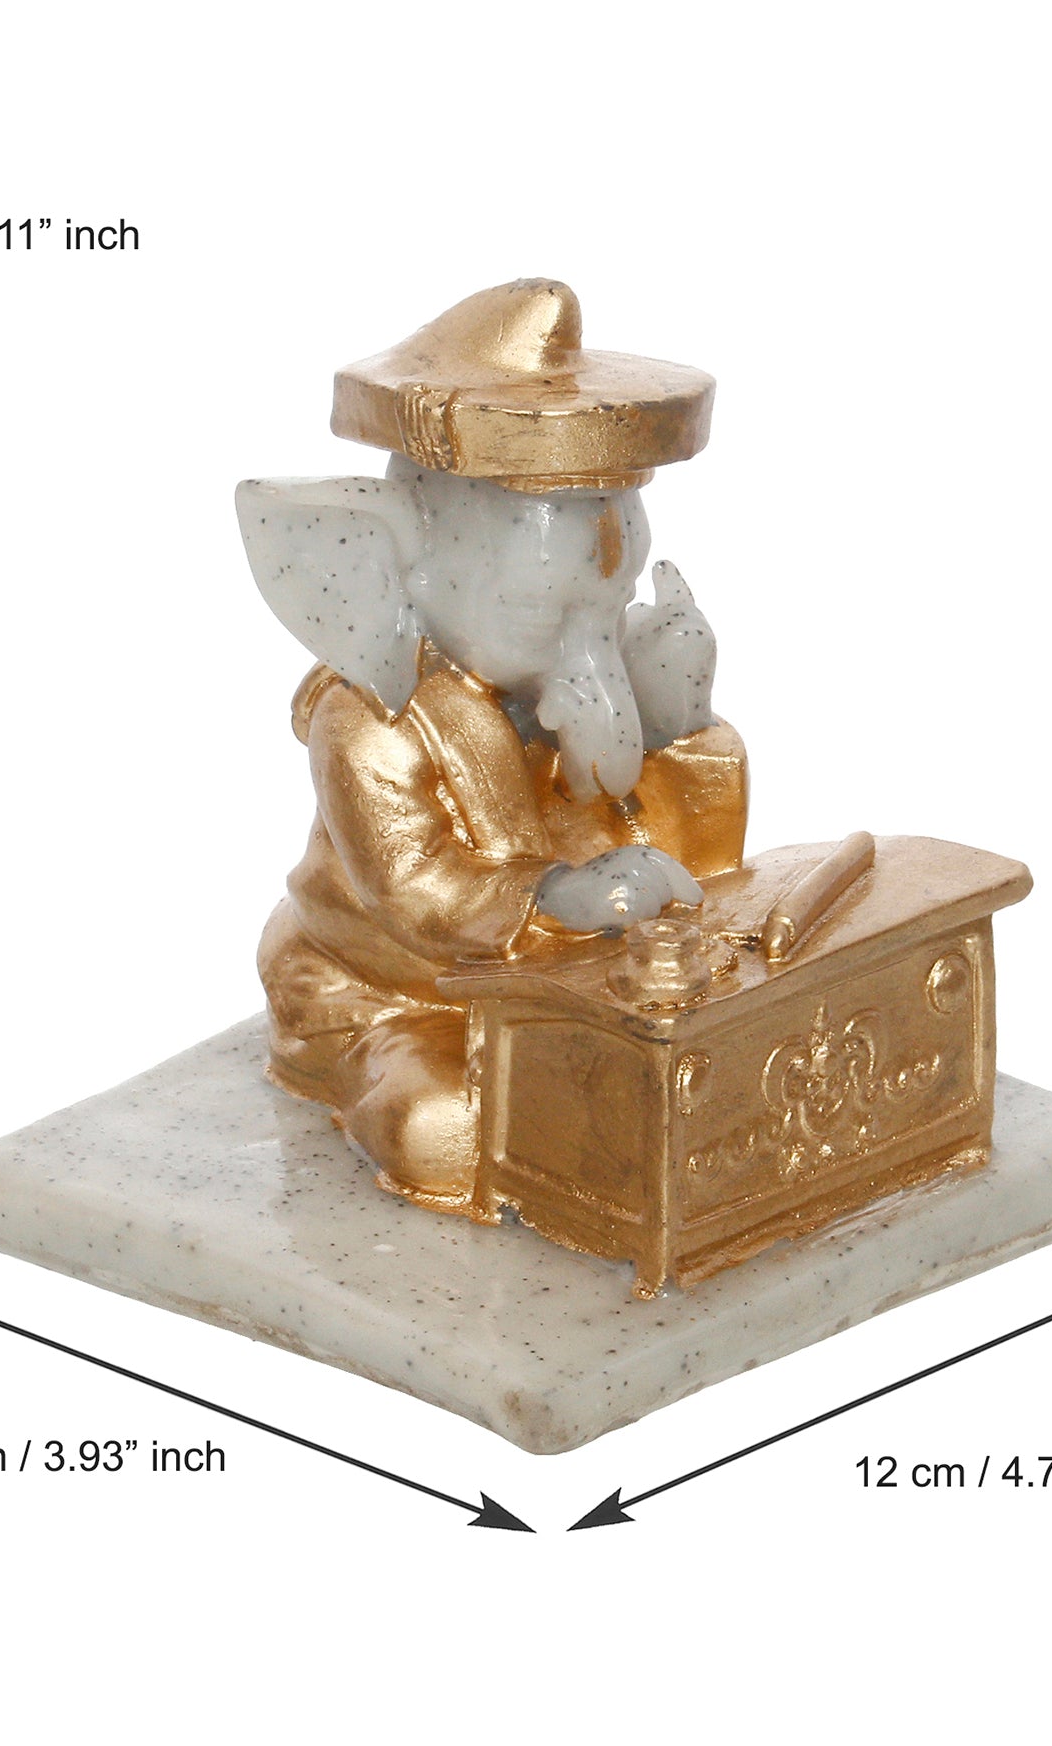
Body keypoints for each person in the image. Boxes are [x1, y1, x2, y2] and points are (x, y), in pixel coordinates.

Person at [237, 279, 748, 1209]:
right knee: (444, 1125)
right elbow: (416, 888)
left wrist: (678, 719)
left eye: (610, 601)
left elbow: (653, 831)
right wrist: (552, 899)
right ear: (389, 569)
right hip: (394, 989)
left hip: (563, 977)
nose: (591, 643)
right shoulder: (372, 723)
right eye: (544, 613)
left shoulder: (552, 674)